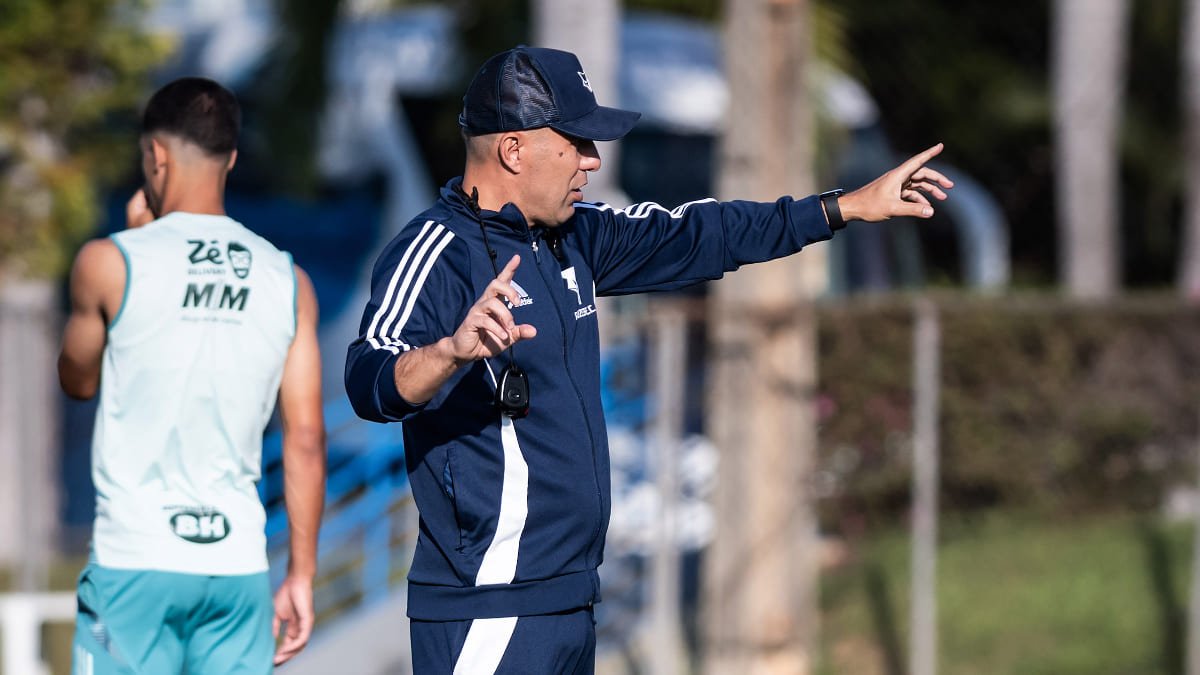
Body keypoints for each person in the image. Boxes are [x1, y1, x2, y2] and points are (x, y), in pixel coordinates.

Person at [344, 46, 952, 674]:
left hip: (570, 603)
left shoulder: (573, 236)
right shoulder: (436, 252)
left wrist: (842, 207)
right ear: (514, 150)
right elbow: (369, 379)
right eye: (577, 142)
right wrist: (449, 352)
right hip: (489, 610)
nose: (593, 160)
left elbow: (702, 233)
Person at [59, 77, 326, 674]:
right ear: (230, 158)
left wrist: (135, 242)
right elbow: (306, 439)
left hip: (136, 560)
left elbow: (77, 380)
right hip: (236, 566)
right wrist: (301, 575)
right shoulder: (289, 281)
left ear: (155, 156)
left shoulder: (109, 262)